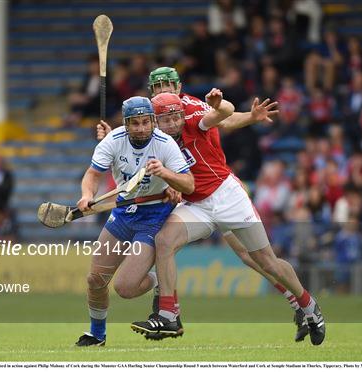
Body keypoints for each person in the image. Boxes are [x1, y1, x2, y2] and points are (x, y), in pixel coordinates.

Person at [98, 66, 312, 343]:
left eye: (168, 86)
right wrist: (109, 140)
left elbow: (222, 118)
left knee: (250, 256)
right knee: (165, 243)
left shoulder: (189, 106)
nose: (164, 91)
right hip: (189, 197)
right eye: (158, 87)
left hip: (218, 191)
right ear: (152, 92)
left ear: (179, 87)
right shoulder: (152, 117)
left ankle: (299, 304)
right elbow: (131, 143)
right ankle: (167, 310)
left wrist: (250, 117)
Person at [74, 96, 195, 347]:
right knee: (95, 280)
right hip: (123, 213)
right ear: (126, 124)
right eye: (135, 123)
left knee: (126, 288)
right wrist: (87, 195)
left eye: (145, 122)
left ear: (152, 121)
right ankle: (97, 334)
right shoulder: (114, 140)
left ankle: (158, 280)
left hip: (153, 217)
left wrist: (166, 174)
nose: (141, 128)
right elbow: (93, 174)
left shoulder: (165, 144)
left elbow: (189, 183)